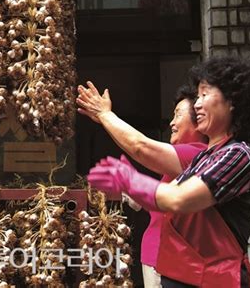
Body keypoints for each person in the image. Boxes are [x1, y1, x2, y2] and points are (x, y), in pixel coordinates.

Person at [88, 56, 250, 287]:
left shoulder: (237, 155)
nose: (198, 104)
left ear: (232, 101)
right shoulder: (203, 158)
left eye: (204, 94)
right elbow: (162, 196)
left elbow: (177, 199)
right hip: (184, 276)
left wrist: (129, 178)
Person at [77, 82, 207, 287]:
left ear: (200, 120)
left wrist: (105, 115)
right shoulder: (182, 163)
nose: (172, 123)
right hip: (158, 257)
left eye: (178, 115)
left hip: (168, 262)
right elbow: (165, 204)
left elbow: (140, 146)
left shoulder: (196, 154)